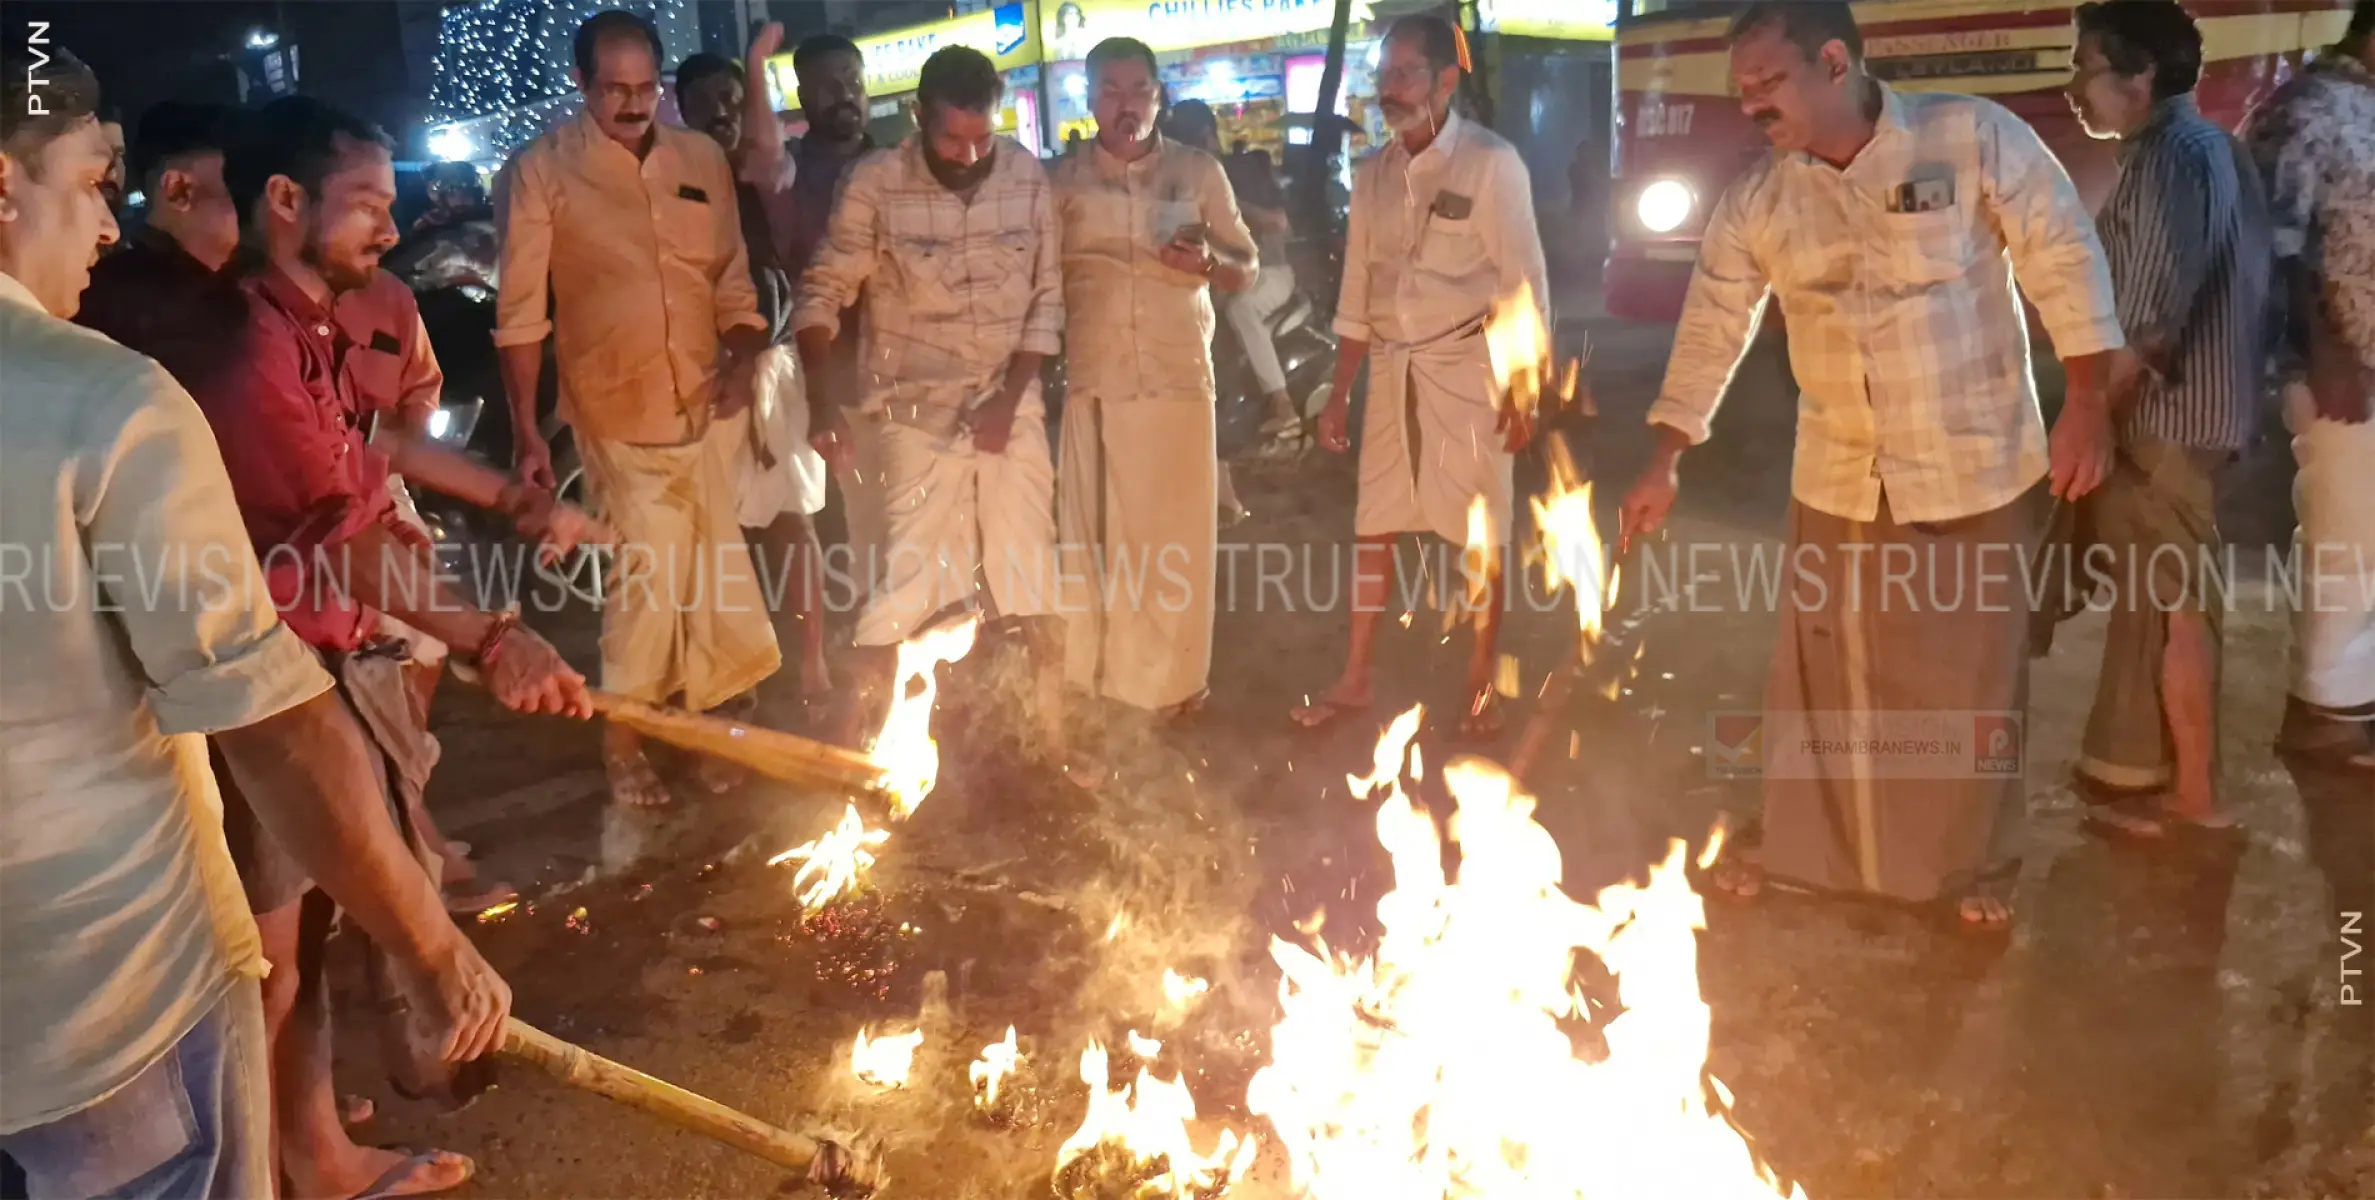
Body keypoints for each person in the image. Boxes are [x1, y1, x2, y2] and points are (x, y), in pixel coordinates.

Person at [0, 50, 510, 1199]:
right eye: (91, 183)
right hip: (99, 1010)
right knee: (279, 959)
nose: (104, 226)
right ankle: (307, 1159)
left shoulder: (295, 329)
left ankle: (311, 1143)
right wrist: (437, 954)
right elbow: (273, 720)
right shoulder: (110, 395)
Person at [1616, 1, 2134, 928]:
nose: (1751, 106)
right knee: (1826, 682)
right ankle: (1810, 851)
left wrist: (2086, 404)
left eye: (1767, 83)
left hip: (1973, 463)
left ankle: (1971, 864)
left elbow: (2063, 256)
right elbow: (1710, 331)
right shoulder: (1761, 199)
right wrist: (1666, 456)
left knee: (1967, 681)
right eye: (1741, 90)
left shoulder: (1968, 137)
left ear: (1832, 61)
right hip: (1840, 474)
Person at [498, 9, 782, 809]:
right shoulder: (541, 171)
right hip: (613, 412)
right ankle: (624, 741)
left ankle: (707, 734)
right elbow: (521, 316)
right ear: (581, 84)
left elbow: (730, 276)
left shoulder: (699, 159)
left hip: (704, 404)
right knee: (647, 586)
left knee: (714, 587)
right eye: (613, 88)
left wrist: (743, 350)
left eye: (645, 86)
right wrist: (527, 429)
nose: (631, 103)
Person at [793, 46, 1081, 773]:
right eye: (952, 138)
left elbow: (1047, 300)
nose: (970, 153)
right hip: (911, 412)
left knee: (1031, 580)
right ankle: (866, 752)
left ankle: (1051, 747)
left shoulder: (1023, 176)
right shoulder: (875, 184)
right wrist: (823, 402)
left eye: (982, 136)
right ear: (917, 116)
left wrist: (1009, 401)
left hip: (1008, 406)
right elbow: (822, 293)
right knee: (908, 588)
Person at [2038, 0, 2269, 836]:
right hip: (2183, 416)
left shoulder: (2175, 155)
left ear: (2138, 76)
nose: (2072, 89)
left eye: (2085, 68)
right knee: (2154, 598)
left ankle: (2197, 798)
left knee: (2177, 605)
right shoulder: (2192, 149)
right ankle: (2132, 770)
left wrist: (2089, 417)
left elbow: (2150, 316)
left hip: (2165, 420)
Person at [1291, 15, 1549, 741]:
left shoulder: (1492, 165)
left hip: (1469, 368)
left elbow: (1524, 281)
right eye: (1383, 76)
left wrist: (1524, 385)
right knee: (1374, 525)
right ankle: (1355, 675)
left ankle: (1479, 680)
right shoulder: (1372, 174)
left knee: (1480, 530)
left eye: (1405, 74)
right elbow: (1357, 297)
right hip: (1390, 368)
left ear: (1445, 79)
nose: (1390, 90)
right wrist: (1340, 392)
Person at [1053, 46, 1258, 724]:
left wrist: (1207, 261)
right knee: (1094, 542)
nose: (1125, 102)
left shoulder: (1196, 172)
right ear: (1087, 99)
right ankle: (1096, 677)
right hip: (1098, 380)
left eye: (1138, 89)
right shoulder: (1061, 185)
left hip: (1175, 378)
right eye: (1110, 89)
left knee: (1176, 541)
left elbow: (1245, 268)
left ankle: (1173, 683)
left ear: (1158, 96)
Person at [676, 37, 835, 716]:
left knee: (792, 524)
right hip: (703, 374)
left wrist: (760, 65)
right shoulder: (671, 177)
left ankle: (814, 665)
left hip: (771, 367)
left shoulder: (760, 169)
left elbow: (767, 151)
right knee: (719, 536)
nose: (722, 110)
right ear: (679, 106)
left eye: (733, 100)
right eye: (707, 100)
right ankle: (733, 673)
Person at [2244, 0, 2375, 773]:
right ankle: (2320, 711)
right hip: (2340, 369)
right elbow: (2276, 240)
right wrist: (2325, 351)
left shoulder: (2360, 107)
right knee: (2344, 537)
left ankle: (2352, 702)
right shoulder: (2306, 111)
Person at [772, 33, 889, 604]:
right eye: (829, 85)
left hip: (913, 368)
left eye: (853, 82)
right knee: (865, 523)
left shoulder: (899, 163)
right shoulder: (791, 178)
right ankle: (878, 645)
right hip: (838, 375)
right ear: (804, 95)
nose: (845, 95)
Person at [76, 101, 250, 394]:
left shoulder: (230, 290)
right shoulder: (119, 309)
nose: (269, 206)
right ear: (178, 190)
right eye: (244, 187)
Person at [1175, 99, 1300, 442]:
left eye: (1188, 142)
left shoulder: (1239, 172)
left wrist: (1230, 205)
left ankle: (1282, 403)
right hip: (1215, 279)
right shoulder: (1179, 181)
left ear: (1207, 138)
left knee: (1241, 308)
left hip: (1270, 273)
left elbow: (1279, 222)